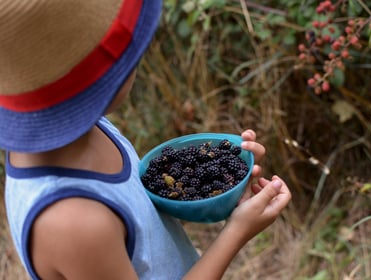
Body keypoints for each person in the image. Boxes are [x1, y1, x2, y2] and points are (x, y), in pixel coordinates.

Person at [0, 0, 292, 279]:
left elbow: (136, 218)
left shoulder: (81, 127)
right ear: (96, 79)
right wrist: (236, 232)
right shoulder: (75, 224)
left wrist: (216, 185)